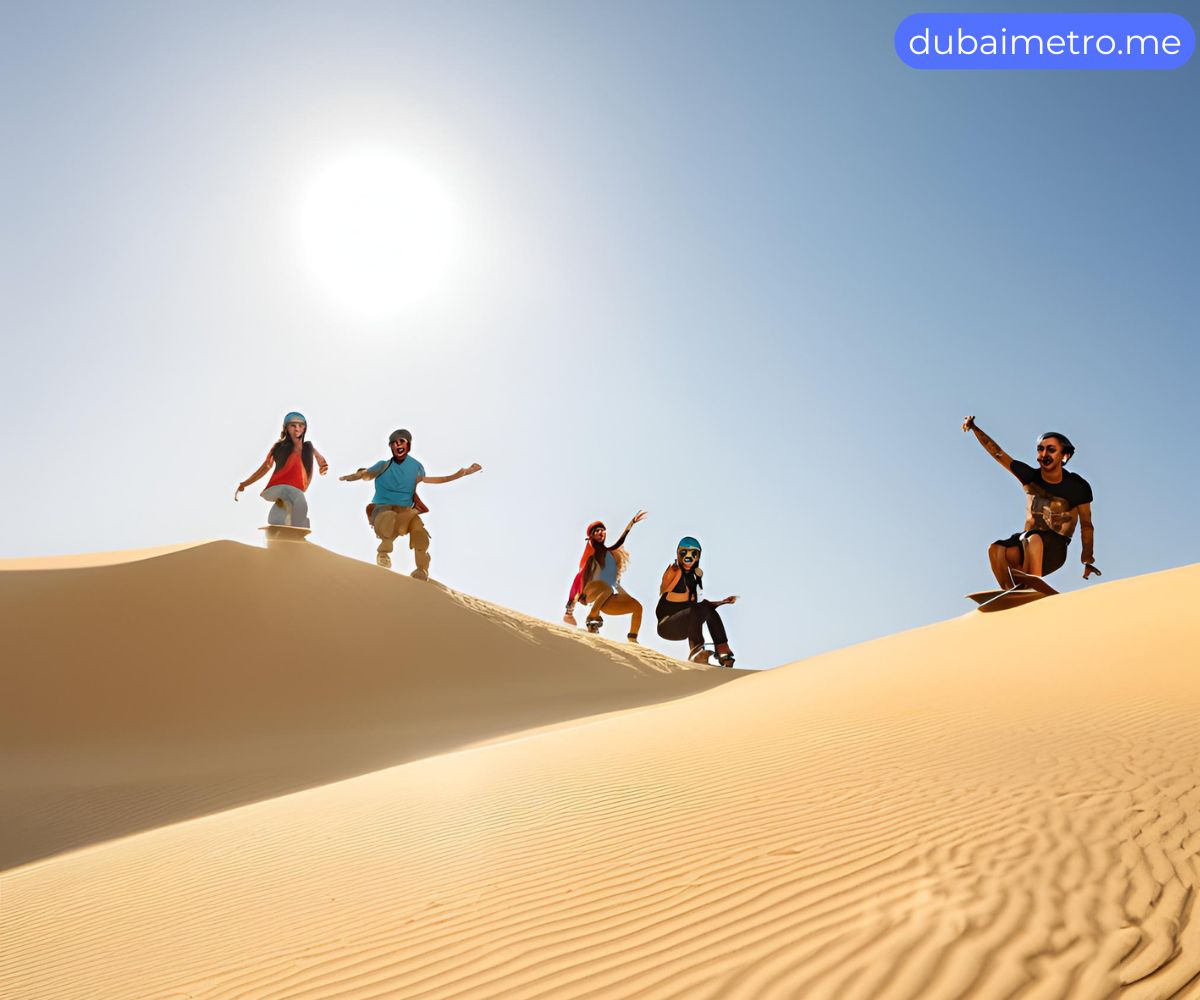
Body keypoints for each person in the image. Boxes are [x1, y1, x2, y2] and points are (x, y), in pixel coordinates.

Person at [963, 415, 1100, 586]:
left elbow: (1086, 525)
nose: (1044, 454)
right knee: (996, 549)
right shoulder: (1030, 477)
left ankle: (1033, 585)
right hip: (1025, 544)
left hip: (1054, 550)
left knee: (1033, 538)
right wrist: (975, 429)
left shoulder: (1077, 487)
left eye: (1051, 449)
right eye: (1040, 449)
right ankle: (1009, 592)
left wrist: (1087, 559)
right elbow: (998, 454)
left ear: (1064, 456)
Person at [339, 428, 481, 579]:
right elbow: (366, 474)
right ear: (391, 446)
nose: (398, 445)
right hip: (382, 508)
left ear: (408, 445)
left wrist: (461, 473)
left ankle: (421, 570)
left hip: (406, 511)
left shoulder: (416, 467)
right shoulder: (383, 465)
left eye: (402, 442)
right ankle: (383, 555)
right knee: (388, 520)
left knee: (420, 533)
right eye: (394, 443)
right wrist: (355, 475)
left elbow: (435, 480)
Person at [235, 411, 328, 528]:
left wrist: (323, 467)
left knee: (289, 503)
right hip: (276, 488)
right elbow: (264, 468)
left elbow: (319, 458)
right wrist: (245, 483)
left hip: (292, 491)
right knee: (299, 498)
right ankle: (300, 524)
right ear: (286, 428)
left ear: (305, 428)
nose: (297, 429)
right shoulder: (278, 447)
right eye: (293, 425)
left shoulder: (308, 447)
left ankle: (275, 520)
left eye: (300, 425)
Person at [656, 536, 738, 667]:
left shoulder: (694, 578)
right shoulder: (675, 571)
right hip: (667, 625)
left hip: (686, 626)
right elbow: (665, 585)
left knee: (709, 610)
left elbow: (700, 603)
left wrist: (722, 602)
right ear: (678, 554)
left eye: (694, 554)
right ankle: (696, 652)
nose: (689, 557)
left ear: (698, 557)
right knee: (701, 606)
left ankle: (723, 652)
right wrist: (674, 570)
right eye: (684, 553)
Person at [568, 512, 646, 641]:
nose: (600, 533)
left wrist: (631, 524)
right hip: (590, 591)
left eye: (602, 530)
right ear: (591, 535)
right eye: (596, 531)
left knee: (637, 606)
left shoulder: (610, 558)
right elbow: (580, 578)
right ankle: (592, 616)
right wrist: (571, 605)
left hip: (605, 597)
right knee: (606, 588)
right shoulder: (592, 553)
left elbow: (619, 543)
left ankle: (632, 638)